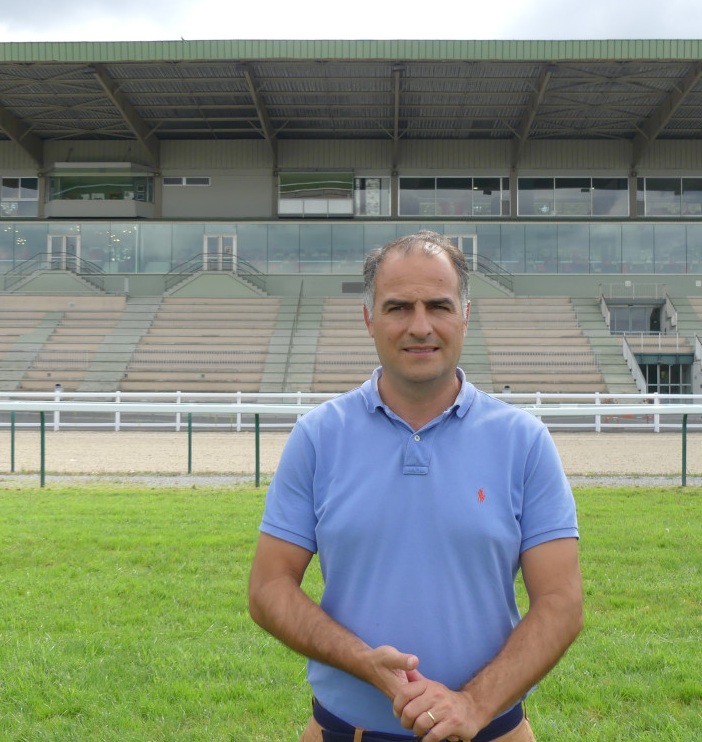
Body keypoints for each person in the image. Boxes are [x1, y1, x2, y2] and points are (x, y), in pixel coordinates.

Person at [248, 231, 582, 742]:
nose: (420, 326)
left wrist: (472, 704)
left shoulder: (524, 441)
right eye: (398, 307)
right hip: (346, 730)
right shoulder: (318, 437)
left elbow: (561, 602)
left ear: (466, 314)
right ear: (369, 318)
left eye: (439, 306)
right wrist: (362, 661)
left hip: (490, 731)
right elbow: (269, 588)